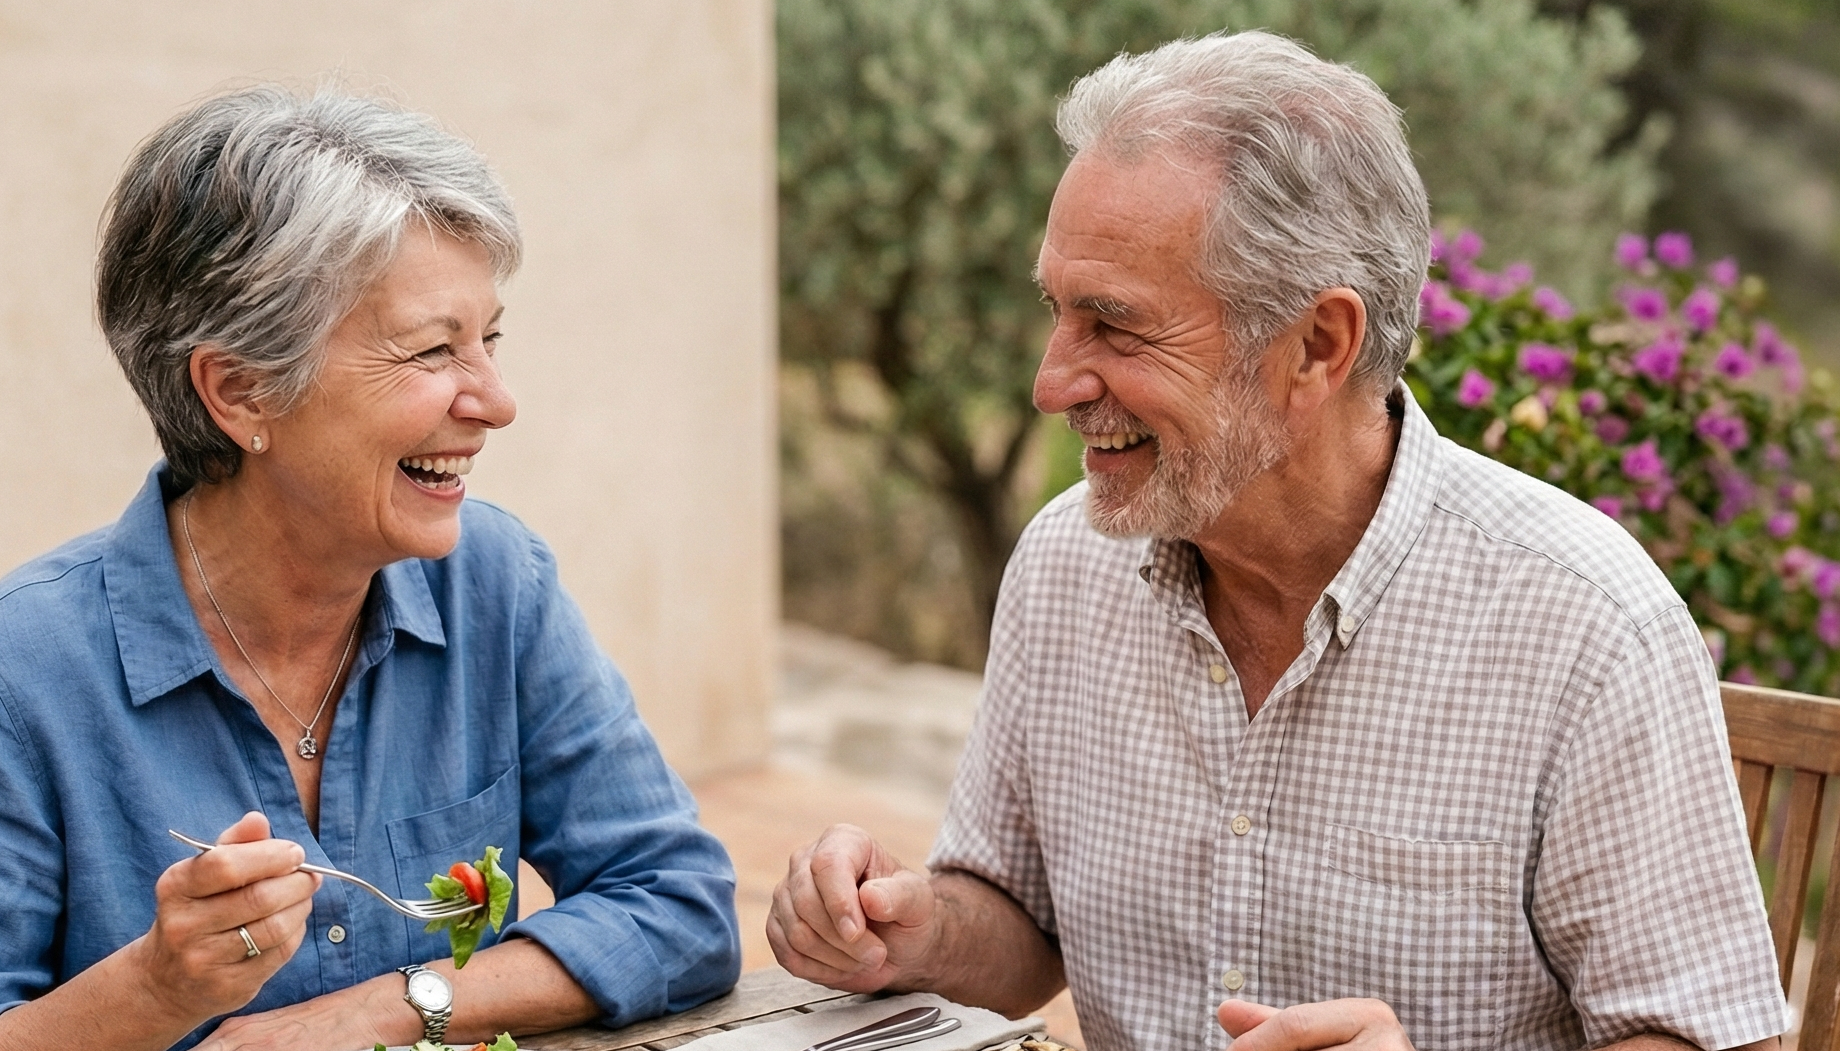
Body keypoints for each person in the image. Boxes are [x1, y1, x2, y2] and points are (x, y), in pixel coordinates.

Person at [766, 31, 1787, 1051]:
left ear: (1317, 346)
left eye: (1114, 326)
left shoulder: (1586, 624)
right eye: (1056, 312)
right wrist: (909, 929)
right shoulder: (1066, 563)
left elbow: (1705, 1037)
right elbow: (1024, 921)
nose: (1050, 383)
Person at [0, 85, 739, 1051]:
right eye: (434, 349)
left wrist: (382, 1010)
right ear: (240, 392)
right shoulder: (13, 674)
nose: (496, 399)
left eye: (490, 339)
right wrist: (154, 988)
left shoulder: (498, 584)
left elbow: (679, 904)